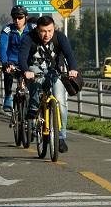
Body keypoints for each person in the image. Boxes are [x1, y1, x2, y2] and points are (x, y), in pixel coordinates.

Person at [19, 16, 78, 153]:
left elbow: (69, 54)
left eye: (50, 31)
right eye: (43, 31)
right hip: (35, 70)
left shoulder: (60, 37)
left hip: (55, 71)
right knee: (36, 86)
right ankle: (33, 112)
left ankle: (61, 137)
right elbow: (22, 57)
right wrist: (26, 71)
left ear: (54, 28)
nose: (47, 34)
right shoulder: (29, 38)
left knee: (60, 102)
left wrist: (73, 69)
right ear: (37, 30)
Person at [0, 5, 34, 113]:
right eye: (14, 18)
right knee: (8, 72)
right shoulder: (7, 30)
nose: (17, 20)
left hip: (28, 63)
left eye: (20, 17)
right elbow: (2, 47)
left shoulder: (32, 28)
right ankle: (8, 96)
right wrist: (5, 63)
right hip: (12, 62)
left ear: (26, 17)